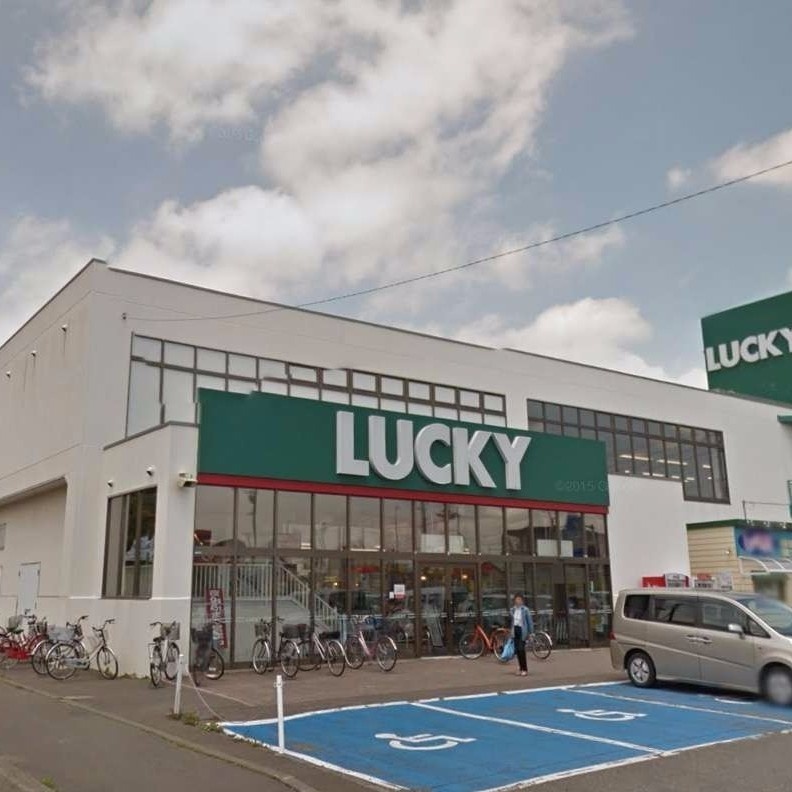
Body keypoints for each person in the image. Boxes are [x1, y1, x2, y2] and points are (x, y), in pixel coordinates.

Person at [510, 594, 534, 677]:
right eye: (516, 599)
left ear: (522, 601)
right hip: (515, 630)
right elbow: (512, 622)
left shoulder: (525, 610)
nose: (518, 601)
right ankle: (520, 668)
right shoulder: (513, 609)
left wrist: (531, 633)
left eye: (519, 599)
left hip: (522, 631)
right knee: (517, 650)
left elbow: (529, 622)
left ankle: (525, 669)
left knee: (521, 649)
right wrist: (511, 632)